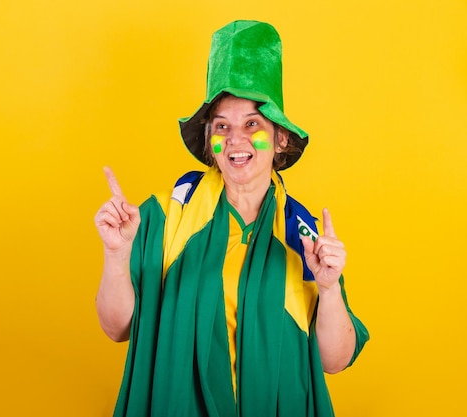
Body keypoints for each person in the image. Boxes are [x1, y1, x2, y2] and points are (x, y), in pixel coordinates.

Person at [94, 20, 369, 417]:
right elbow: (116, 328)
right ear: (210, 141)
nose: (236, 140)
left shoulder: (304, 236)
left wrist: (328, 290)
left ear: (281, 139)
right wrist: (117, 256)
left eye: (252, 124)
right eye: (222, 126)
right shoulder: (165, 216)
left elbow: (335, 360)